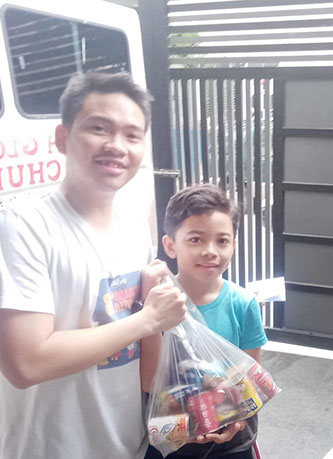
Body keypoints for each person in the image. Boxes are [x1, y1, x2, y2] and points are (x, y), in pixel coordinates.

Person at [0, 72, 187, 459]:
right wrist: (148, 318)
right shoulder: (23, 227)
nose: (116, 146)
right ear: (62, 138)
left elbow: (139, 349)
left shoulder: (135, 226)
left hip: (128, 443)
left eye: (132, 135)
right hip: (50, 449)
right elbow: (26, 363)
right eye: (99, 128)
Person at [145, 183, 268, 459]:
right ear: (170, 246)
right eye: (196, 239)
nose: (210, 251)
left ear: (233, 245)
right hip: (173, 440)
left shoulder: (243, 304)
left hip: (232, 442)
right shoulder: (157, 303)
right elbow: (150, 383)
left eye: (222, 241)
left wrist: (236, 423)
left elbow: (251, 378)